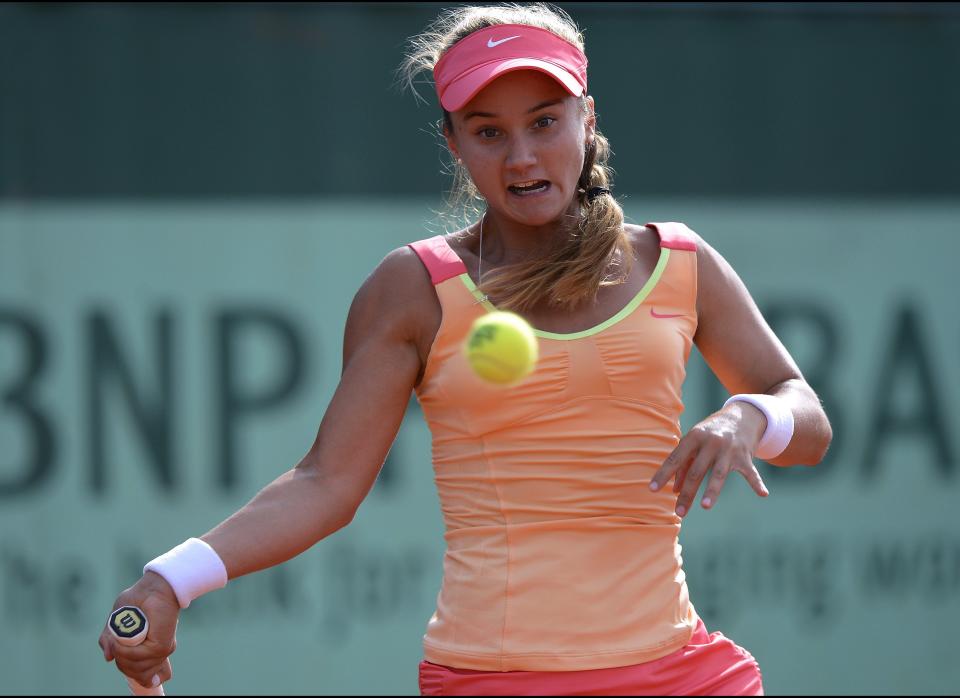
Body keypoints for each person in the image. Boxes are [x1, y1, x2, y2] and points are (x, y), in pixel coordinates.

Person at [99, 3, 833, 695]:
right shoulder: (413, 287)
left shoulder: (680, 263)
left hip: (681, 673)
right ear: (453, 143)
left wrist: (748, 417)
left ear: (588, 118)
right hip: (494, 676)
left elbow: (807, 419)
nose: (522, 157)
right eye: (489, 132)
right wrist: (172, 579)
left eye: (546, 122)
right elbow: (326, 483)